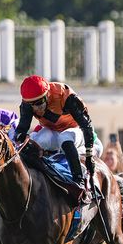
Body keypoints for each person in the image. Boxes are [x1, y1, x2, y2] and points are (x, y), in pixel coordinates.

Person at [14, 75, 98, 204]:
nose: (35, 108)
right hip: (52, 130)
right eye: (31, 104)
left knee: (65, 139)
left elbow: (86, 126)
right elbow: (22, 129)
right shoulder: (28, 102)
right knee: (35, 141)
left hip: (76, 129)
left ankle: (78, 180)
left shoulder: (65, 96)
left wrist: (89, 156)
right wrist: (20, 138)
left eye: (38, 103)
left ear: (47, 94)